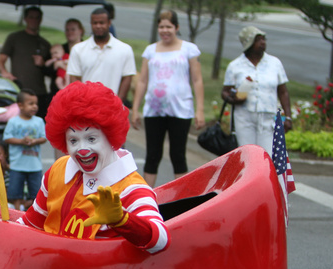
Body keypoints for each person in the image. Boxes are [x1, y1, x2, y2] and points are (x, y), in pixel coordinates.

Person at [20, 81, 169, 254]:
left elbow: (161, 240)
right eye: (73, 140)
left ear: (110, 136)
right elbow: (32, 223)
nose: (82, 149)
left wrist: (122, 220)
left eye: (91, 139)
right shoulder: (58, 169)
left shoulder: (131, 187)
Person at [130, 10, 205, 188]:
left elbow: (197, 79)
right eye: (161, 27)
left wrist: (199, 110)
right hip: (154, 110)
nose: (165, 30)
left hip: (180, 109)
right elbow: (142, 80)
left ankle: (183, 196)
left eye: (169, 27)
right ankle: (148, 197)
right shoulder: (150, 51)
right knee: (152, 155)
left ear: (177, 27)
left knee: (177, 154)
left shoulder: (189, 49)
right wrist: (135, 109)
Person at [222, 26, 293, 155]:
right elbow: (225, 91)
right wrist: (233, 98)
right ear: (248, 43)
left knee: (267, 157)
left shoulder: (274, 63)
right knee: (248, 156)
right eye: (258, 40)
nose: (263, 43)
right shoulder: (235, 66)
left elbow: (283, 91)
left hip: (268, 118)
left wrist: (288, 116)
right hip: (244, 118)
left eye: (264, 39)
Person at [67, 8, 136, 102]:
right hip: (87, 106)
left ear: (109, 23)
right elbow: (75, 78)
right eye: (95, 23)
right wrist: (82, 102)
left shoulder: (124, 49)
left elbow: (127, 78)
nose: (98, 26)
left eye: (102, 23)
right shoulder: (78, 49)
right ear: (91, 24)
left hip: (112, 106)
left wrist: (117, 103)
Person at [0, 6, 53, 118]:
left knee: (39, 125)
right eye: (31, 17)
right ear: (25, 19)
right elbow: (0, 61)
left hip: (39, 92)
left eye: (37, 18)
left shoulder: (44, 44)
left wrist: (42, 64)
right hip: (19, 90)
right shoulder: (14, 38)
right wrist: (5, 73)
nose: (34, 20)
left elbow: (50, 71)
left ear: (40, 20)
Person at [3, 89, 47, 211]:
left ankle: (30, 210)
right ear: (20, 105)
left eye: (35, 104)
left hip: (34, 165)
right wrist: (21, 141)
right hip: (17, 165)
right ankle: (17, 210)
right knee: (15, 192)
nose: (34, 107)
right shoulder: (13, 121)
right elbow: (7, 138)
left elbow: (44, 138)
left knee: (36, 193)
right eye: (31, 103)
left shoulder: (38, 121)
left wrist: (35, 141)